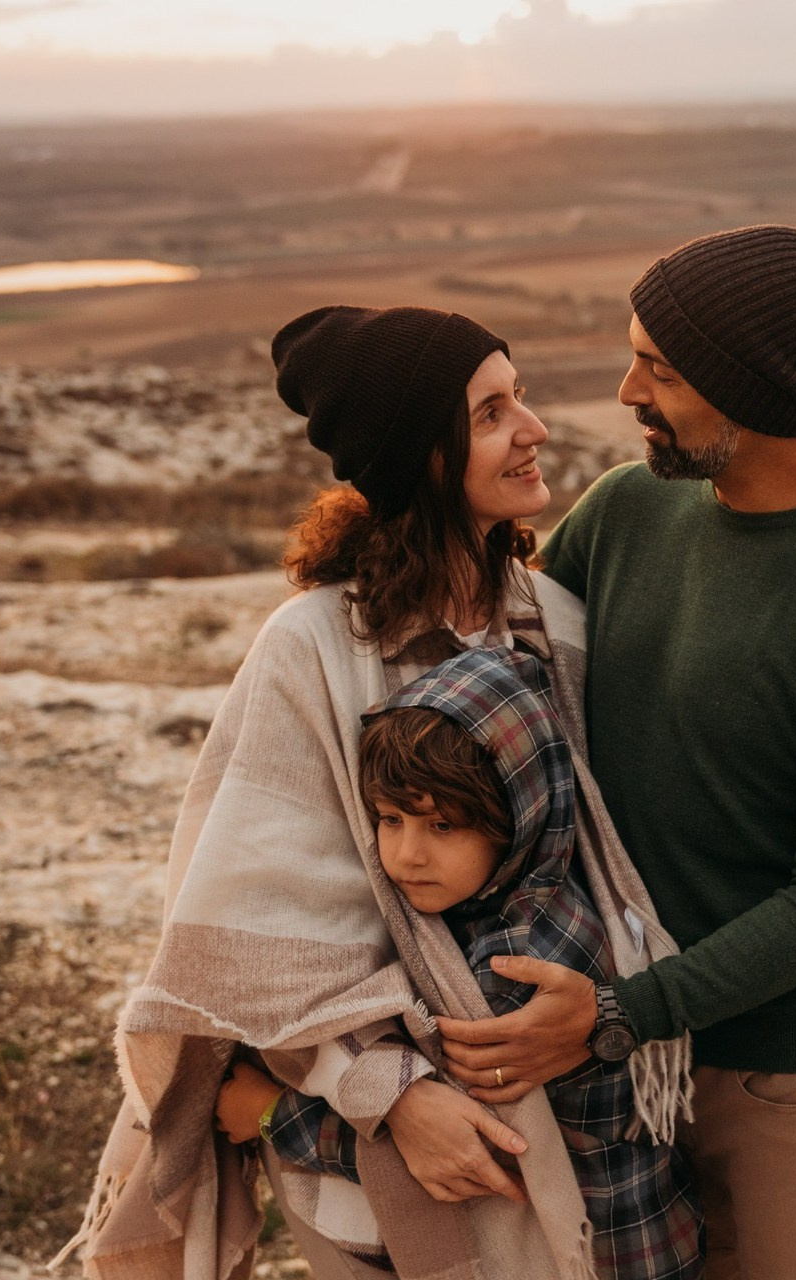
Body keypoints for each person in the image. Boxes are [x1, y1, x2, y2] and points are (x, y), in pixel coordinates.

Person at [61, 304, 692, 1280]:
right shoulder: (312, 647)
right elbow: (251, 921)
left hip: (586, 1119)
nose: (533, 426)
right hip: (380, 1148)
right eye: (490, 412)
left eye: (518, 396)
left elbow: (584, 859)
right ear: (421, 456)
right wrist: (391, 1092)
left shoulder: (552, 623)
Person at [436, 225, 796, 1280]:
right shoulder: (630, 510)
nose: (627, 387)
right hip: (605, 1075)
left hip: (785, 1081)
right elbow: (488, 659)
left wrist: (619, 1016)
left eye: (661, 369)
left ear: (750, 389)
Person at [216, 645, 702, 1280]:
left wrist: (271, 1113)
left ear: (518, 816)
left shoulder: (513, 966)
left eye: (442, 826)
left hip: (591, 1254)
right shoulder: (546, 893)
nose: (407, 855)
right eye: (390, 819)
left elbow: (465, 1157)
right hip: (649, 1237)